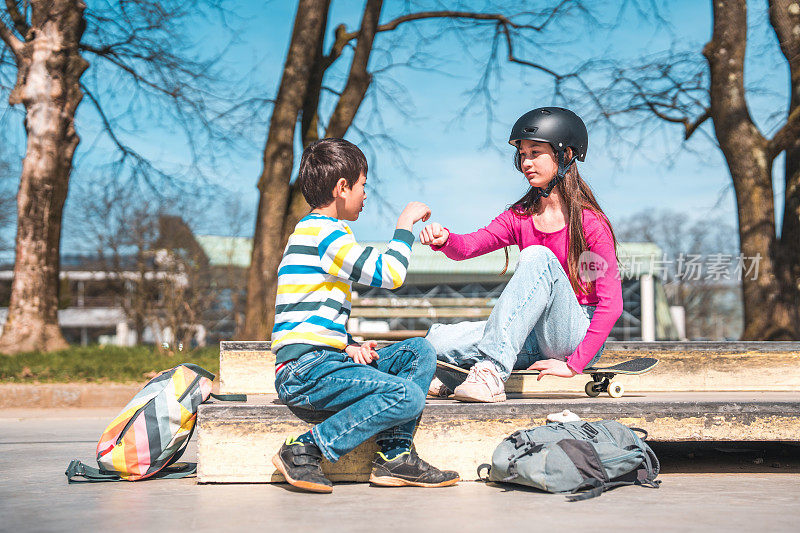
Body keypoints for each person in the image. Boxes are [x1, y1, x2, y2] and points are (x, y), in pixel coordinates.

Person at [271, 137, 460, 493]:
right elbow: (391, 274)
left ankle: (394, 457)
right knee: (408, 395)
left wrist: (347, 345)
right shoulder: (324, 234)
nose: (366, 195)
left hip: (321, 361)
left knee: (418, 352)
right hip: (305, 373)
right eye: (362, 186)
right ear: (342, 188)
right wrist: (404, 227)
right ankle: (304, 449)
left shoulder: (319, 234)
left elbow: (308, 311)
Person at [419, 107, 623, 403]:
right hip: (531, 336)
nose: (526, 162)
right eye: (522, 154)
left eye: (536, 152)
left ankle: (490, 375)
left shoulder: (591, 224)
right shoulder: (520, 216)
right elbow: (469, 246)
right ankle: (438, 378)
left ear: (565, 156)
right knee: (437, 340)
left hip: (574, 331)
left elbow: (612, 304)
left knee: (538, 256)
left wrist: (574, 364)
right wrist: (445, 239)